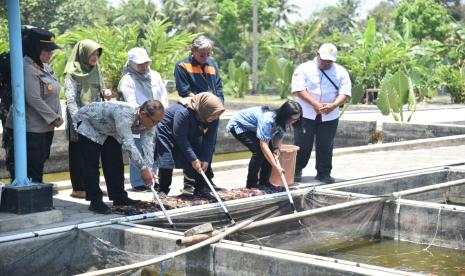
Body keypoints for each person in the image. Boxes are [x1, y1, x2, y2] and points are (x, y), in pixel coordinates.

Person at [73, 100, 164, 214]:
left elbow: (148, 145)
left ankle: (119, 197)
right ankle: (95, 201)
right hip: (89, 123)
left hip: (111, 129)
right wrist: (142, 168)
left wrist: (149, 168)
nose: (155, 125)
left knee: (115, 163)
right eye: (154, 122)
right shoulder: (125, 114)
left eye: (158, 122)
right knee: (91, 164)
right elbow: (129, 144)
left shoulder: (150, 122)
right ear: (142, 114)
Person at [4, 27, 63, 183]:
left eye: (51, 50)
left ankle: (38, 194)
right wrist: (54, 117)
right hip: (31, 128)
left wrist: (58, 116)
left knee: (40, 162)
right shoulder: (26, 68)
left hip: (45, 126)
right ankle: (35, 201)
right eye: (46, 50)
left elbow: (55, 94)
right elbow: (33, 98)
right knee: (32, 167)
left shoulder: (45, 67)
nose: (50, 53)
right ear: (34, 48)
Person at [292, 43, 351, 184]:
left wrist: (334, 105)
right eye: (323, 59)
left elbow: (346, 93)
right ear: (317, 54)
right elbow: (298, 90)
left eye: (329, 61)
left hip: (330, 115)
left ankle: (324, 173)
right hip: (305, 114)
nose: (325, 63)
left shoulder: (341, 72)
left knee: (326, 144)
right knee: (302, 144)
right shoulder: (304, 69)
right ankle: (296, 170)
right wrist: (315, 104)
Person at [174, 35, 224, 194]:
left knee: (209, 145)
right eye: (202, 54)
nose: (206, 57)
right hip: (194, 112)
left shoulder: (212, 64)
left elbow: (218, 87)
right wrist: (202, 104)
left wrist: (217, 104)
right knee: (193, 145)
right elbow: (184, 91)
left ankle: (207, 182)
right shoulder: (182, 65)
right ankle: (189, 185)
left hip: (212, 111)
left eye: (209, 53)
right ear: (193, 50)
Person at [64, 39, 112, 199]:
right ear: (83, 53)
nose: (95, 57)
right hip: (77, 116)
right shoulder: (72, 72)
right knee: (77, 152)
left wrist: (105, 92)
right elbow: (70, 99)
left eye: (97, 53)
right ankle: (78, 188)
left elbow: (99, 88)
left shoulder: (95, 69)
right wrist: (78, 120)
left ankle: (93, 187)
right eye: (92, 53)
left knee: (92, 152)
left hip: (95, 116)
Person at [155, 92, 225, 197]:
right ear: (205, 109)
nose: (215, 118)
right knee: (167, 159)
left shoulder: (213, 115)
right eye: (213, 115)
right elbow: (181, 138)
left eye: (217, 115)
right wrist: (193, 159)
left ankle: (200, 188)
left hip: (190, 130)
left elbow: (210, 140)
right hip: (168, 131)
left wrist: (205, 159)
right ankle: (163, 190)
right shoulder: (184, 111)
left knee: (200, 154)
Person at [118, 47, 168, 191]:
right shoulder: (127, 80)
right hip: (138, 119)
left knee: (151, 147)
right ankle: (138, 181)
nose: (144, 66)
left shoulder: (155, 76)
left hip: (156, 117)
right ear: (131, 64)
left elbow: (163, 95)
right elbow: (131, 101)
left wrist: (160, 114)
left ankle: (152, 176)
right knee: (137, 148)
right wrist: (145, 116)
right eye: (140, 64)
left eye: (146, 63)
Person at [226, 100, 302, 188]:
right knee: (259, 152)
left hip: (254, 128)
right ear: (285, 115)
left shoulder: (284, 121)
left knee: (270, 152)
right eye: (292, 119)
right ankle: (251, 184)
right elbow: (263, 145)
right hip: (240, 125)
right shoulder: (268, 119)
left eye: (297, 119)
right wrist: (275, 166)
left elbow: (279, 136)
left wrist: (276, 149)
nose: (294, 121)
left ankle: (264, 182)